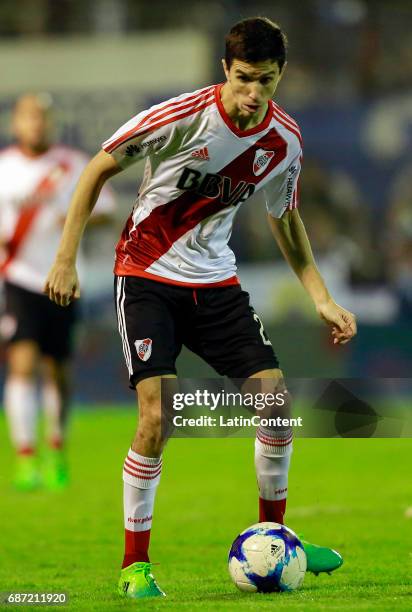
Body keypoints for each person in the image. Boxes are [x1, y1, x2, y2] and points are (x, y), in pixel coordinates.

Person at [45, 17, 357, 599]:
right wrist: (65, 260)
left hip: (215, 284)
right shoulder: (180, 117)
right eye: (242, 79)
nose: (252, 94)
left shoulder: (284, 141)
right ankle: (134, 566)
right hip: (146, 278)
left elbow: (285, 217)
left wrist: (321, 295)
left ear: (280, 76)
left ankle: (278, 538)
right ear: (225, 69)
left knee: (275, 405)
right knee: (157, 419)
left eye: (265, 81)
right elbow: (96, 169)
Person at [0, 93, 115, 491]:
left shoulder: (73, 164)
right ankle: (26, 457)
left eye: (44, 117)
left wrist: (76, 217)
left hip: (64, 279)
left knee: (58, 371)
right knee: (22, 361)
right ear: (16, 123)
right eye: (29, 117)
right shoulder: (5, 168)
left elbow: (106, 211)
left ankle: (56, 448)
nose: (37, 124)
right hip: (18, 278)